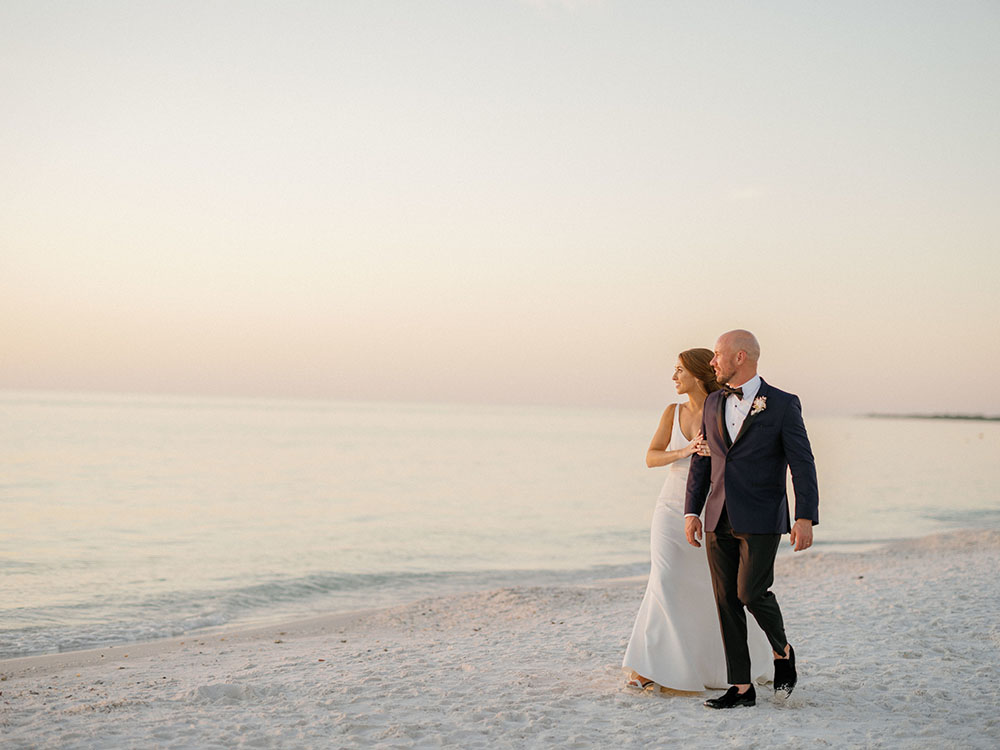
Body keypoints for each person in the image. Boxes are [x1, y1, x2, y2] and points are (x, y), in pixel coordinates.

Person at [622, 348, 772, 692]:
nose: (674, 377)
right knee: (665, 578)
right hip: (670, 508)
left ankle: (724, 665)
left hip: (714, 509)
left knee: (713, 587)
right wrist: (685, 450)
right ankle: (653, 666)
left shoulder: (726, 409)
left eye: (679, 370)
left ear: (697, 373)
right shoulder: (672, 412)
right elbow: (651, 456)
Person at [684, 330, 819, 709]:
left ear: (740, 357)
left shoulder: (782, 404)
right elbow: (702, 458)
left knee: (750, 592)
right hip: (717, 514)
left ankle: (783, 650)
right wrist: (692, 510)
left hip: (762, 515)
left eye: (717, 355)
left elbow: (802, 463)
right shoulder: (712, 402)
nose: (713, 363)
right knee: (725, 600)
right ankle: (741, 688)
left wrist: (805, 515)